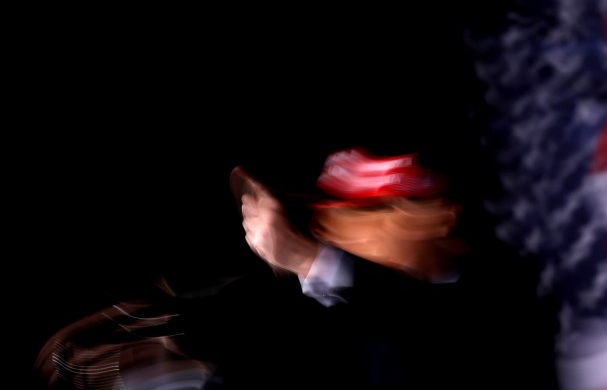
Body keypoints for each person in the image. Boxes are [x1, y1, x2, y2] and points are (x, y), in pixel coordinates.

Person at [36, 142, 561, 389]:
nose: (335, 231)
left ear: (439, 217)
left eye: (365, 212)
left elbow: (427, 348)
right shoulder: (331, 310)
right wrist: (166, 353)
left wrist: (313, 259)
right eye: (329, 217)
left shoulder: (505, 300)